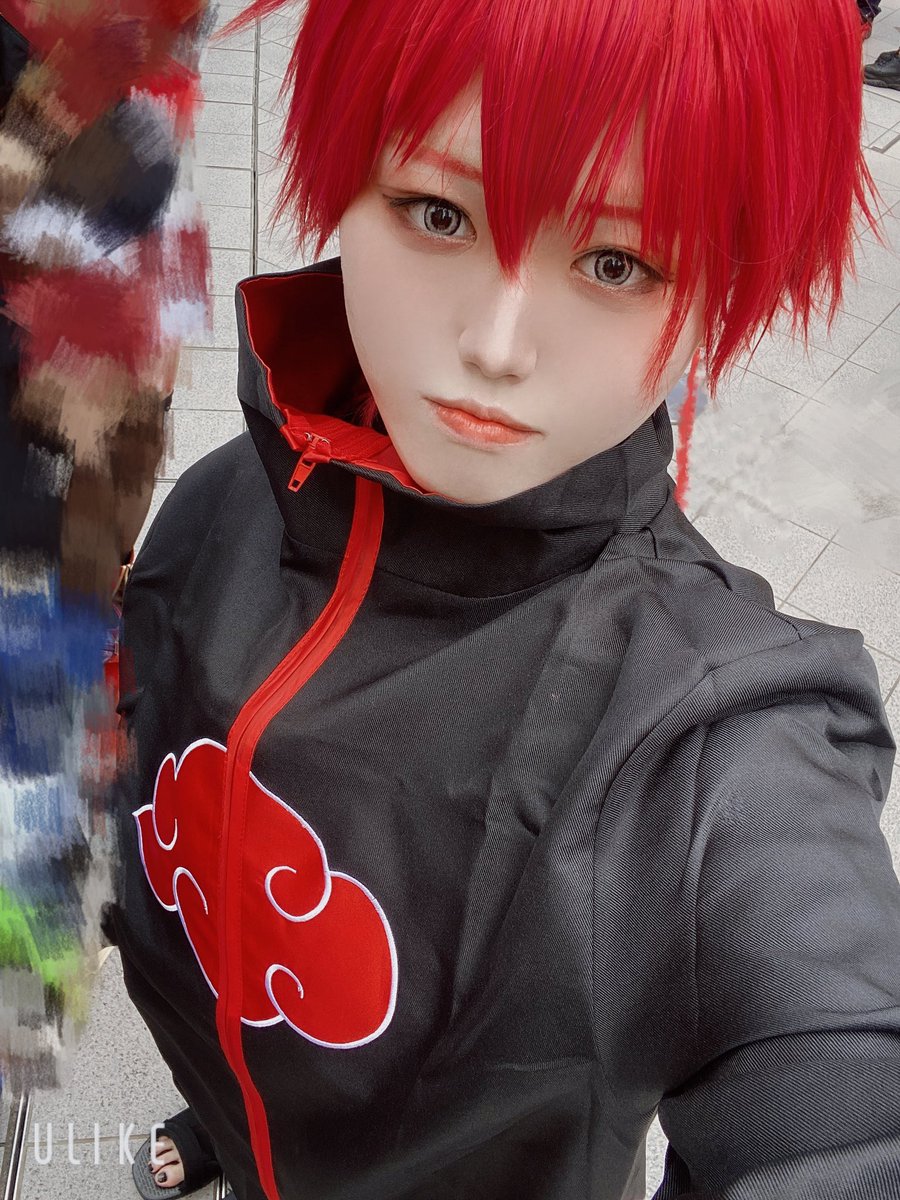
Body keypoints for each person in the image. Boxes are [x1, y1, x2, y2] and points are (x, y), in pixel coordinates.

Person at [104, 0, 900, 1198]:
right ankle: (218, 1125)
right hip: (238, 1037)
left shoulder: (707, 746)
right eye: (440, 212)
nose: (495, 343)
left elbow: (839, 1097)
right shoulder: (233, 493)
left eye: (617, 261)